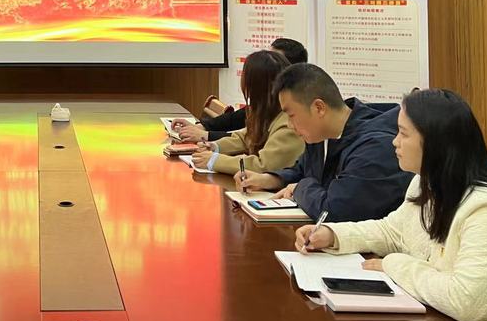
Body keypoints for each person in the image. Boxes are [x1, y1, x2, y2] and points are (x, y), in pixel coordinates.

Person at [297, 89, 487, 321]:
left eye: (404, 134)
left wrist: (393, 265)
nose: (394, 142)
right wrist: (332, 235)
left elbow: (468, 302)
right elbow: (392, 231)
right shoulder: (425, 182)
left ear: (436, 142)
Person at [235, 63, 411, 222]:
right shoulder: (320, 135)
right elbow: (302, 170)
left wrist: (300, 188)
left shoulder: (376, 147)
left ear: (319, 108)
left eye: (291, 115)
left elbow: (335, 210)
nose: (289, 124)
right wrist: (269, 179)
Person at [190, 49, 303, 174]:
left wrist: (214, 160)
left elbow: (264, 165)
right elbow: (247, 137)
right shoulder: (267, 110)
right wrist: (215, 147)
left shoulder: (289, 122)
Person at [173, 37, 308, 142]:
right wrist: (202, 127)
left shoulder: (292, 109)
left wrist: (206, 137)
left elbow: (256, 149)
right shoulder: (267, 102)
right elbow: (241, 123)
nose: (266, 60)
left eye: (272, 59)